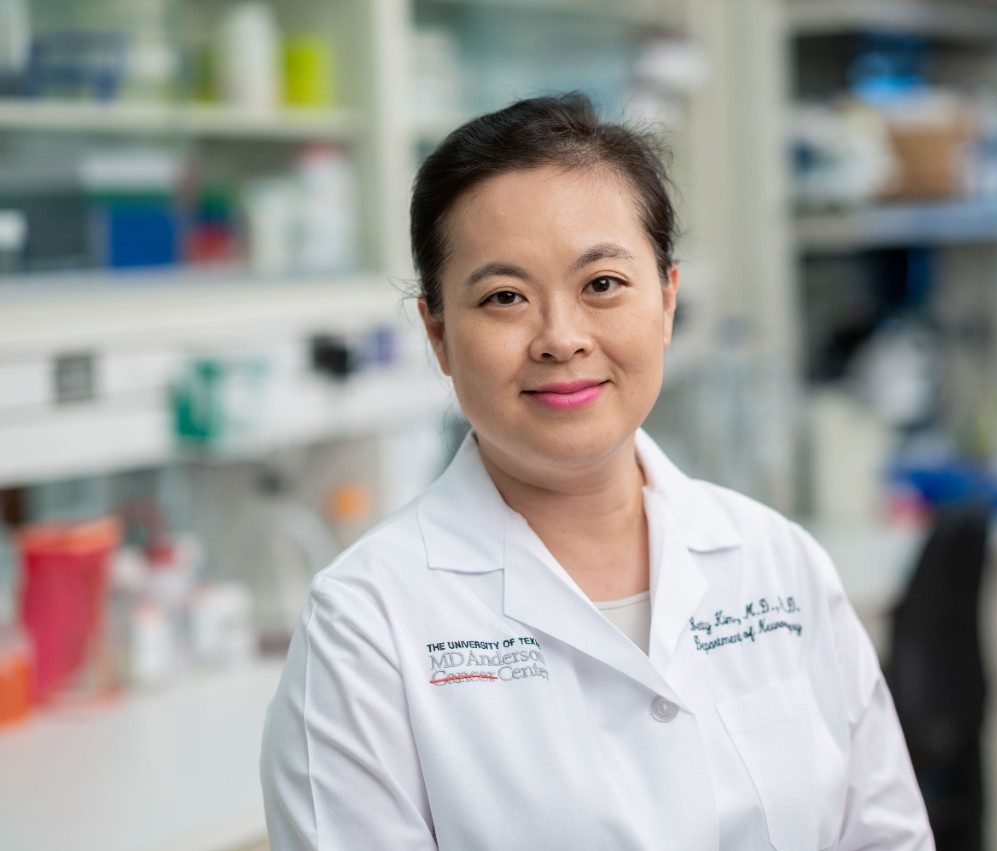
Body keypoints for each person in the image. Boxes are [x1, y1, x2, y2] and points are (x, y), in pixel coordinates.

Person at [259, 92, 933, 850]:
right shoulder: (365, 627)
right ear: (439, 335)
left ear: (667, 299)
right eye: (504, 297)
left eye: (602, 284)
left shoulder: (780, 564)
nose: (561, 337)